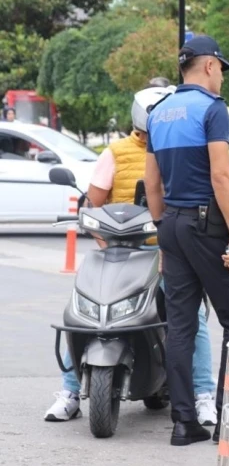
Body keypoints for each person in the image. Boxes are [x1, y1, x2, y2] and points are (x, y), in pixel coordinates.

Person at [43, 81, 218, 427]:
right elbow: (93, 202)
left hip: (166, 253)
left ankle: (203, 395)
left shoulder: (179, 147)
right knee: (82, 313)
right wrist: (103, 238)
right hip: (120, 253)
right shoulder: (116, 153)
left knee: (192, 318)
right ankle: (70, 390)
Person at [144, 35, 229, 446]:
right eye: (221, 70)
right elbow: (222, 175)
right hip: (208, 224)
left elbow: (152, 183)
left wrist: (164, 232)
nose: (221, 80)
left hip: (173, 226)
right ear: (211, 66)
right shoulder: (212, 110)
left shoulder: (158, 112)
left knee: (181, 324)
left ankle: (184, 424)